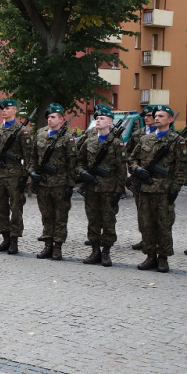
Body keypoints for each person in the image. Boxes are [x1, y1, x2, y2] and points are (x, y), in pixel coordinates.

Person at [129, 105, 186, 273]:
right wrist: (137, 169)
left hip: (164, 190)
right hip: (145, 190)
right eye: (156, 115)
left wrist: (175, 188)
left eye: (161, 115)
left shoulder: (177, 141)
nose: (157, 118)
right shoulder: (145, 140)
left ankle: (163, 258)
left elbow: (181, 168)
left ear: (170, 119)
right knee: (146, 224)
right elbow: (132, 159)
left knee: (164, 225)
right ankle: (150, 256)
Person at [0, 99, 33, 255]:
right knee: (0, 207)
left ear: (15, 111)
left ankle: (14, 240)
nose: (3, 110)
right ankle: (5, 237)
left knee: (16, 207)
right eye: (2, 108)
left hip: (15, 174)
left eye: (7, 108)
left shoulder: (22, 131)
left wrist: (25, 176)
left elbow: (29, 157)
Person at [76, 107, 128, 267]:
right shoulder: (89, 141)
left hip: (109, 189)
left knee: (108, 221)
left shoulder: (117, 144)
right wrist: (83, 173)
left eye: (102, 118)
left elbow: (121, 170)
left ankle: (106, 252)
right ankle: (95, 251)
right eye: (96, 118)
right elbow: (79, 162)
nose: (98, 120)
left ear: (110, 122)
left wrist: (118, 191)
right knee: (93, 220)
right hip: (92, 189)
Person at [29, 103, 76, 260]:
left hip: (60, 183)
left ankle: (57, 246)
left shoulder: (67, 138)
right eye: (48, 117)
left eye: (53, 117)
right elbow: (33, 157)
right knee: (46, 216)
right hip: (43, 183)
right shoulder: (40, 134)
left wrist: (70, 184)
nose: (50, 119)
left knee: (60, 216)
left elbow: (72, 163)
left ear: (62, 119)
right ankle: (47, 245)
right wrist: (32, 172)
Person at [127, 104, 157, 251]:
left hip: (158, 179)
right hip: (140, 177)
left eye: (150, 116)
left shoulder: (163, 134)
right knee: (141, 209)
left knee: (158, 211)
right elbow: (129, 154)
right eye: (145, 116)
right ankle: (145, 238)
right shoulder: (137, 134)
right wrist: (132, 171)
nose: (147, 118)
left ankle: (156, 239)